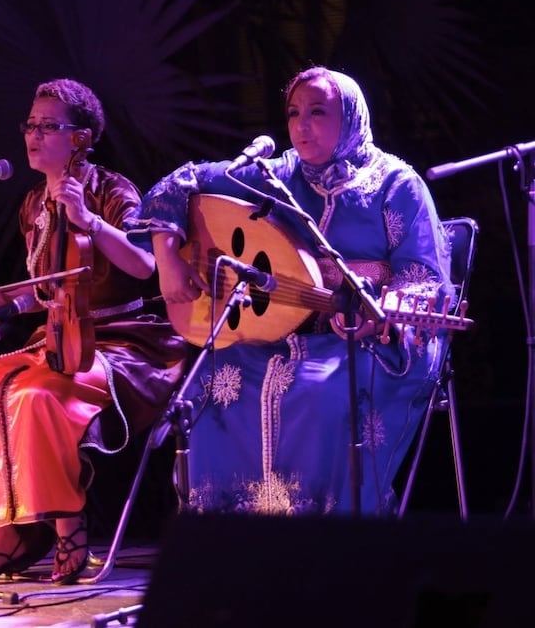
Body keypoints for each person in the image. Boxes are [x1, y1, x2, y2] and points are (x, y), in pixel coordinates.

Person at [133, 66, 453, 515]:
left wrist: (377, 312)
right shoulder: (272, 172)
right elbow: (179, 183)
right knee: (212, 386)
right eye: (294, 113)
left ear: (350, 117)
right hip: (274, 331)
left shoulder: (397, 185)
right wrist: (167, 261)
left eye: (318, 112)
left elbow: (422, 276)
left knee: (321, 394)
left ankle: (325, 546)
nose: (302, 125)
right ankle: (230, 546)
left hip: (365, 342)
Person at [0, 78, 189, 587]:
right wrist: (10, 298)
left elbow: (144, 267)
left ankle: (67, 526)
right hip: (59, 337)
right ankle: (2, 540)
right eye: (31, 125)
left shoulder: (112, 191)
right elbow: (51, 289)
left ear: (82, 137)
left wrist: (90, 220)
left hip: (123, 343)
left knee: (34, 395)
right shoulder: (31, 203)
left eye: (49, 126)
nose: (33, 134)